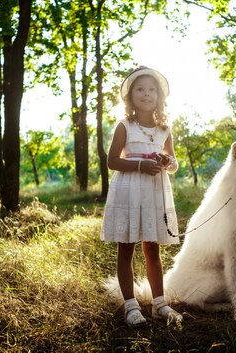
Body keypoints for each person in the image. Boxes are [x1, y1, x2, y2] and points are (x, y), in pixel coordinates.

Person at [101, 66, 183, 327]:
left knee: (152, 248)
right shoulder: (125, 126)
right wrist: (139, 165)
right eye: (140, 89)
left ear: (159, 96)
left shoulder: (164, 129)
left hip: (153, 191)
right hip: (129, 189)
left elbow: (173, 164)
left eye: (151, 90)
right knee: (126, 247)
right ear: (130, 96)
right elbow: (112, 161)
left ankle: (159, 304)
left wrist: (167, 161)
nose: (146, 94)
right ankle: (131, 306)